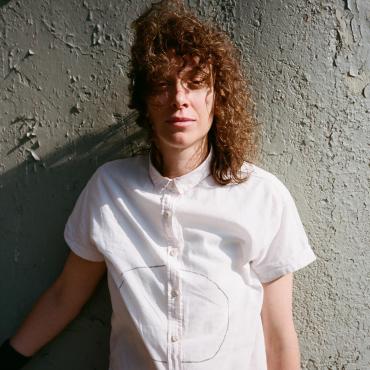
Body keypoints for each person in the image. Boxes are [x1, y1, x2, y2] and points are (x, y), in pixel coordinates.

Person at [0, 1, 316, 369]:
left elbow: (278, 331)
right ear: (146, 103)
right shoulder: (109, 190)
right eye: (163, 85)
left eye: (195, 84)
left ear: (217, 97)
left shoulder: (261, 196)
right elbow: (66, 295)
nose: (179, 98)